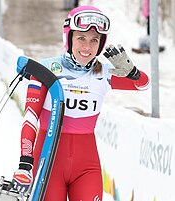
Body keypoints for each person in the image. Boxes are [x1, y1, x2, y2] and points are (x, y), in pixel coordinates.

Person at [12, 5, 150, 201]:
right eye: (81, 38)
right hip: (49, 164)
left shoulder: (105, 72)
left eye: (95, 40)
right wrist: (26, 163)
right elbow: (30, 118)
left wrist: (131, 71)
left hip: (87, 168)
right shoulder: (44, 69)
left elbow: (143, 85)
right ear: (68, 38)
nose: (87, 47)